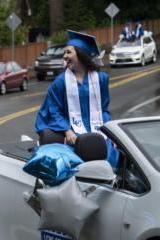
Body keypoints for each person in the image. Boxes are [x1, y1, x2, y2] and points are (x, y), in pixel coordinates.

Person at [35, 30, 118, 168]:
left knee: (110, 154)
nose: (64, 56)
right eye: (64, 53)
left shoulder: (101, 79)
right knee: (76, 159)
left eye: (68, 52)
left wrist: (111, 132)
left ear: (80, 54)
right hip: (73, 135)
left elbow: (103, 109)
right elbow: (54, 110)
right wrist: (67, 130)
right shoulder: (60, 82)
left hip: (98, 132)